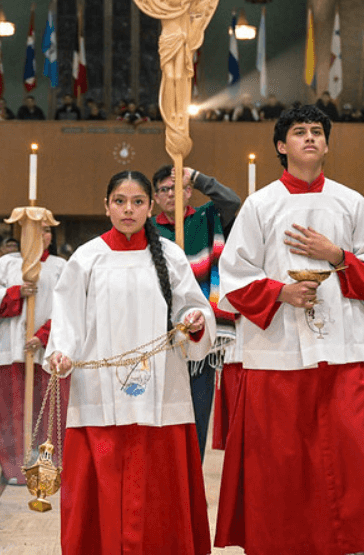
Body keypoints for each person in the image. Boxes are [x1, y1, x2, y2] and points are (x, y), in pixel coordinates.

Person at [215, 106, 364, 554]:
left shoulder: (351, 202)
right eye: (299, 132)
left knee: (350, 459)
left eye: (317, 132)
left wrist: (335, 254)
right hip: (277, 352)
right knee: (282, 463)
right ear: (281, 146)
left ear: (327, 143)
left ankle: (345, 544)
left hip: (343, 351)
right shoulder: (260, 204)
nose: (309, 139)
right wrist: (281, 293)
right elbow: (233, 278)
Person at [45, 171, 216, 554]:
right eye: (120, 201)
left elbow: (192, 306)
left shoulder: (170, 255)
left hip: (160, 390)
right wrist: (61, 351)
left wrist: (194, 322)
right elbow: (67, 317)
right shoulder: (87, 257)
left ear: (150, 207)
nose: (128, 209)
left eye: (138, 202)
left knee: (156, 491)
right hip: (98, 391)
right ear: (106, 206)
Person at [151, 164, 240, 459]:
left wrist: (199, 178)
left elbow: (232, 202)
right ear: (155, 196)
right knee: (161, 420)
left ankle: (192, 482)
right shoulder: (148, 230)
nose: (171, 195)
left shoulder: (207, 218)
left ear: (189, 192)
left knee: (196, 417)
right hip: (158, 338)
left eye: (177, 188)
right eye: (164, 189)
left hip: (200, 336)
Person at [0, 222, 68, 485]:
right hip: (12, 350)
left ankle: (50, 464)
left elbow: (69, 307)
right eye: (34, 230)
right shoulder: (6, 264)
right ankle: (15, 465)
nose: (41, 235)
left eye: (46, 230)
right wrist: (17, 292)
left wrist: (43, 335)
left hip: (49, 348)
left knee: (51, 406)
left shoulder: (60, 266)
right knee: (13, 409)